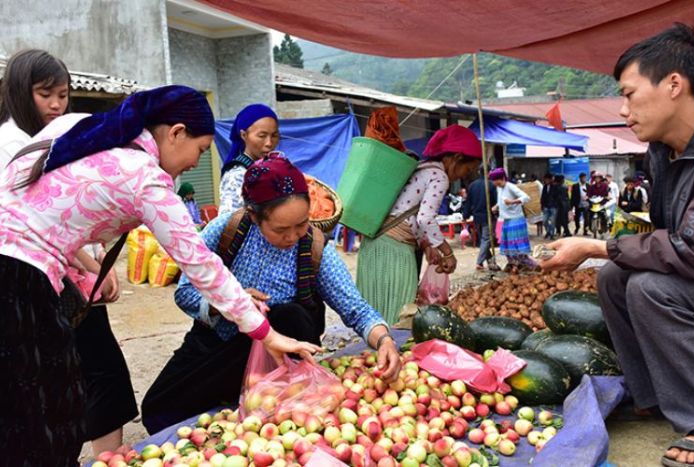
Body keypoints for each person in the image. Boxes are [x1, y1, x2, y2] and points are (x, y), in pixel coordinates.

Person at [0, 85, 318, 465]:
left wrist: (80, 270)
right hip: (20, 280)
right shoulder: (145, 178)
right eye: (200, 150)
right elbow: (200, 265)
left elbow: (35, 200)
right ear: (176, 132)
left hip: (24, 271)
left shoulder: (79, 127)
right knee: (42, 411)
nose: (195, 164)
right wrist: (265, 333)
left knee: (31, 401)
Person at [142, 155, 401, 433]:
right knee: (158, 409)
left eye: (301, 224)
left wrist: (384, 339)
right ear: (254, 216)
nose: (293, 236)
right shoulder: (229, 229)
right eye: (281, 229)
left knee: (290, 314)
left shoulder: (313, 247)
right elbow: (185, 292)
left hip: (281, 361)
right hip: (220, 347)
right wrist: (229, 303)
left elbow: (355, 308)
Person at [540, 24, 694, 467]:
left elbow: (692, 250)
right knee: (615, 278)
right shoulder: (662, 153)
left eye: (629, 94)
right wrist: (610, 254)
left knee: (650, 288)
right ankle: (651, 395)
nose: (624, 109)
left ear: (673, 84)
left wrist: (595, 246)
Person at [0, 49, 138, 456]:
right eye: (46, 94)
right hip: (36, 278)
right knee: (89, 372)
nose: (57, 104)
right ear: (20, 92)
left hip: (58, 275)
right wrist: (93, 265)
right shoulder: (13, 145)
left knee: (79, 373)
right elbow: (39, 219)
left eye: (63, 94)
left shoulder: (41, 137)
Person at [357, 124, 481, 325]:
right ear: (457, 158)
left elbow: (409, 213)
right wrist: (447, 252)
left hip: (375, 246)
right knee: (399, 315)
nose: (464, 175)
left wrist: (427, 245)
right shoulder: (439, 176)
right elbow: (425, 218)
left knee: (374, 315)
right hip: (394, 251)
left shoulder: (421, 168)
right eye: (468, 169)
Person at [219, 104, 279, 217]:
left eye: (274, 136)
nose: (269, 143)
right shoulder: (237, 175)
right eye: (262, 136)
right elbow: (228, 224)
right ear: (244, 135)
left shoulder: (270, 168)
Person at [489, 168, 536, 272]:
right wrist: (496, 206)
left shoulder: (510, 186)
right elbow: (501, 201)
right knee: (506, 246)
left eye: (495, 180)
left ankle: (533, 266)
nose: (493, 183)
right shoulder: (499, 188)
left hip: (515, 219)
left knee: (517, 248)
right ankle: (514, 266)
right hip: (503, 219)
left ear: (501, 178)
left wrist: (512, 202)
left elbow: (526, 197)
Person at [463, 169, 499, 271]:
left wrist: (465, 215)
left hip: (477, 217)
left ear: (480, 172)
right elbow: (496, 201)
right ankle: (479, 262)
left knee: (484, 240)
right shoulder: (491, 185)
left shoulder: (472, 185)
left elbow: (468, 202)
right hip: (487, 216)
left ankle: (491, 262)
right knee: (486, 240)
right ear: (489, 173)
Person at [540, 173, 557, 239]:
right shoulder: (544, 187)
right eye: (545, 179)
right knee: (544, 221)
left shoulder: (555, 187)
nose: (545, 180)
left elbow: (557, 197)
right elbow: (543, 196)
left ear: (550, 179)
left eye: (546, 179)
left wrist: (555, 204)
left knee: (552, 221)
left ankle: (552, 234)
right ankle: (548, 231)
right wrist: (542, 205)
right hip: (546, 207)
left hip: (553, 207)